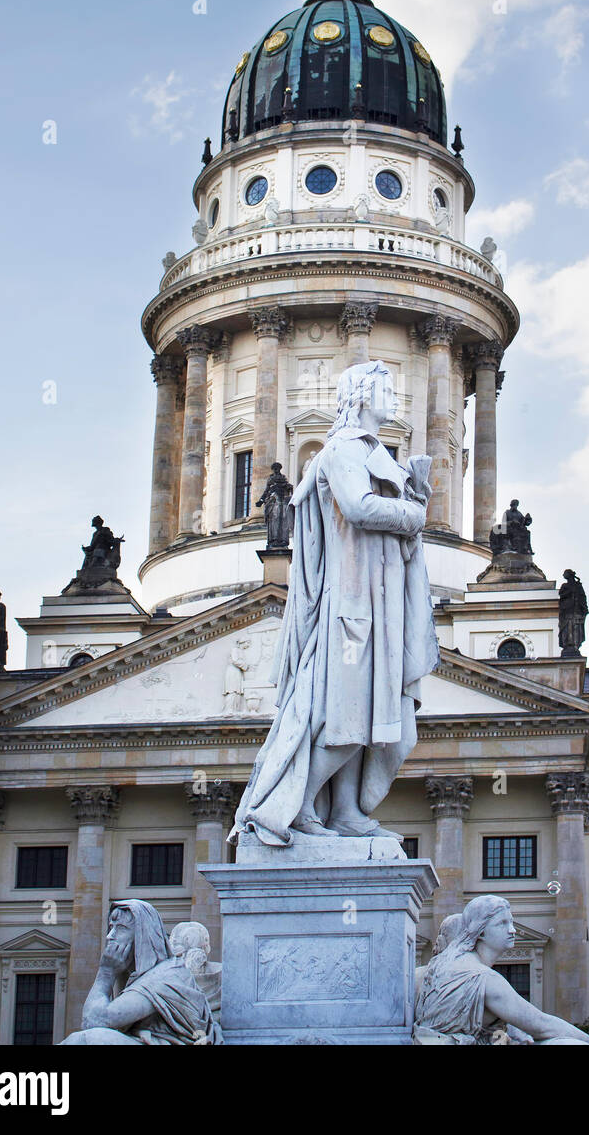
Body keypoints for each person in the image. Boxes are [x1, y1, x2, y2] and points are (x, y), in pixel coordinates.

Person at [231, 361, 439, 846]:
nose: (396, 398)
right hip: (352, 605)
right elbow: (360, 507)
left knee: (370, 719)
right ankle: (292, 805)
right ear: (364, 395)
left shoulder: (368, 451)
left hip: (380, 601)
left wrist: (416, 492)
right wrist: (414, 512)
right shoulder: (342, 451)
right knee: (346, 713)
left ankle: (344, 809)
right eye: (388, 389)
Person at [414, 896, 589, 1046]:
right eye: (502, 923)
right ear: (481, 932)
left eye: (511, 922)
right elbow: (542, 1025)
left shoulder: (435, 968)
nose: (512, 930)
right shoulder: (483, 978)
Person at [59, 900, 218, 1045]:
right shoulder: (141, 976)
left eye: (120, 928)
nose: (109, 936)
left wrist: (106, 973)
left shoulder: (166, 976)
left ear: (143, 935)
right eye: (111, 927)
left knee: (84, 1040)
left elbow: (94, 1020)